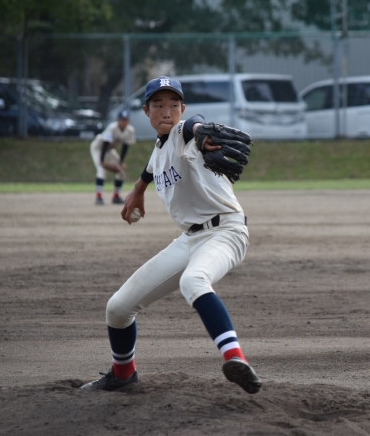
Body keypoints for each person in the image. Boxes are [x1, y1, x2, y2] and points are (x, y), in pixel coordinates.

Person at [81, 76, 261, 394]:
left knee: (193, 281)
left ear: (182, 109)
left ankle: (236, 359)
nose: (167, 111)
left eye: (174, 105)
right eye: (159, 105)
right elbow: (152, 167)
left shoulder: (184, 133)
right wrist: (138, 189)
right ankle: (123, 374)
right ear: (146, 111)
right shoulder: (160, 146)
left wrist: (201, 132)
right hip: (189, 240)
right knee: (118, 308)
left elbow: (193, 126)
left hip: (226, 231)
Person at [90, 110, 136, 205]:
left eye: (126, 119)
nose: (124, 122)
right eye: (122, 119)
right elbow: (105, 144)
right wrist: (102, 162)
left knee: (121, 171)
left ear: (129, 121)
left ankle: (116, 197)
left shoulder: (130, 130)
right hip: (98, 148)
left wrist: (120, 162)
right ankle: (99, 197)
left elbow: (125, 147)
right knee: (102, 170)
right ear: (118, 120)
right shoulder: (112, 127)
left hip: (110, 150)